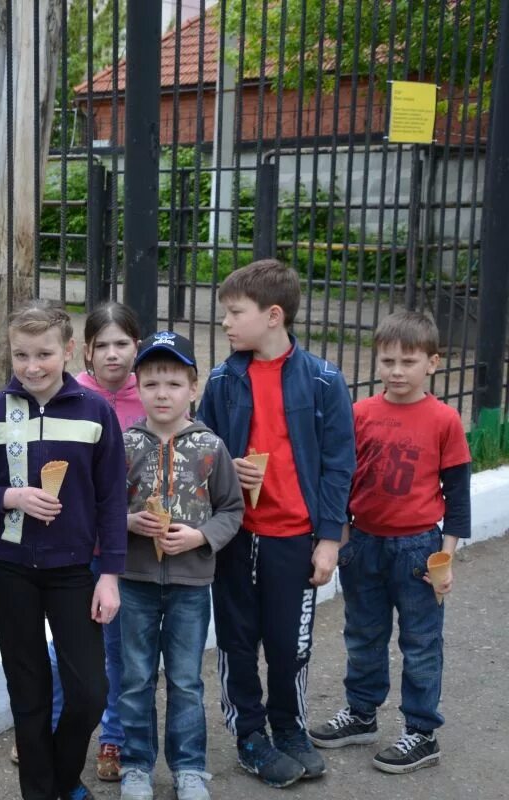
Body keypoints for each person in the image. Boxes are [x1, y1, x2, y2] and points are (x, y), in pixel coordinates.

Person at [0, 299, 127, 800]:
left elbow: (112, 498)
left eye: (44, 354)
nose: (32, 367)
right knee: (27, 693)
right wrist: (9, 496)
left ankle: (60, 776)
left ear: (71, 351)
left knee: (90, 693)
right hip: (11, 569)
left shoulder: (96, 412)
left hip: (75, 570)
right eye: (20, 355)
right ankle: (42, 792)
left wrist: (111, 575)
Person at [197, 259, 355, 788]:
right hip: (237, 538)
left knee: (291, 644)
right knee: (239, 642)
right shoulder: (223, 379)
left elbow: (339, 464)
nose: (225, 322)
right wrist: (228, 462)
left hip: (295, 538)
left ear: (273, 315)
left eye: (234, 312)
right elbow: (203, 452)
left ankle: (290, 728)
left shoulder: (324, 380)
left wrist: (329, 539)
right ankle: (251, 737)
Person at [309, 310, 470, 774]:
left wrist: (447, 557)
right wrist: (339, 539)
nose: (397, 371)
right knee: (363, 634)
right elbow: (339, 481)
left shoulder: (444, 420)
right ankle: (361, 714)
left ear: (433, 363)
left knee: (421, 642)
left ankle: (421, 732)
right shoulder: (359, 414)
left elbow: (457, 496)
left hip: (420, 549)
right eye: (388, 361)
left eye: (409, 361)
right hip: (364, 544)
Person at [117, 331, 244, 800]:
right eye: (151, 384)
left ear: (193, 388)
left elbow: (232, 509)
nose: (162, 393)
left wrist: (200, 536)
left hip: (192, 583)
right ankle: (135, 765)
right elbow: (103, 507)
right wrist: (130, 524)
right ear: (138, 388)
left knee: (187, 681)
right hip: (134, 582)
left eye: (173, 383)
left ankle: (189, 767)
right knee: (135, 679)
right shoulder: (124, 444)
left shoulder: (210, 446)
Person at [28, 302, 143, 780]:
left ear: (137, 345)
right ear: (86, 352)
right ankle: (52, 731)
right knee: (64, 652)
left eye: (122, 344)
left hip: (121, 552)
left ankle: (111, 740)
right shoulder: (69, 398)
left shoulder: (153, 394)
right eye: (103, 346)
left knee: (114, 654)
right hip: (73, 553)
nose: (113, 355)